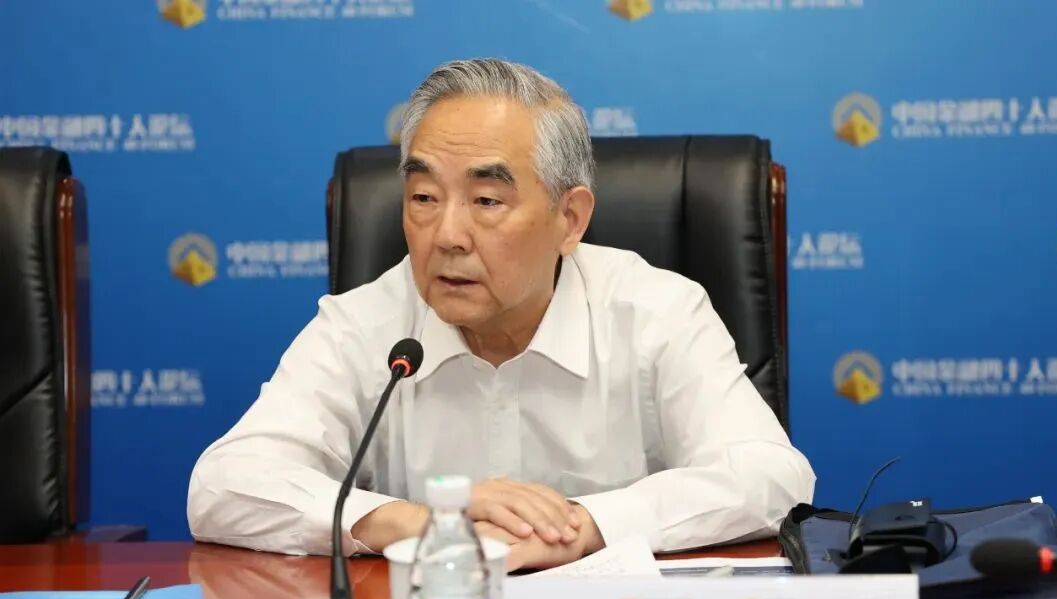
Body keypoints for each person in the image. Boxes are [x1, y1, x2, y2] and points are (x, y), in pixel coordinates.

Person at [187, 58, 815, 572]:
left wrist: (585, 525)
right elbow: (223, 484)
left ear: (569, 219)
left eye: (487, 200)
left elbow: (773, 476)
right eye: (424, 197)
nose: (447, 235)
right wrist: (424, 522)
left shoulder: (656, 311)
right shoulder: (366, 325)